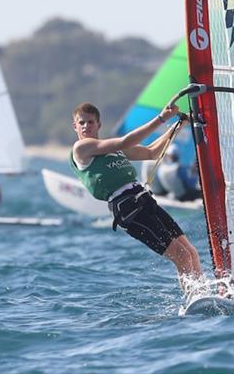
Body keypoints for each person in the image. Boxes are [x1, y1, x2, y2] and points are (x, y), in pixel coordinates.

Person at [70, 101, 203, 293]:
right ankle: (193, 298)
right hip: (128, 210)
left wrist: (178, 125)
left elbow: (152, 152)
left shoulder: (110, 148)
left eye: (90, 122)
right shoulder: (81, 149)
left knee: (191, 252)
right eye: (81, 123)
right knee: (181, 255)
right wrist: (161, 119)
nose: (86, 126)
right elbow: (126, 141)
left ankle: (204, 293)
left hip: (144, 201)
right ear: (75, 127)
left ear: (98, 125)